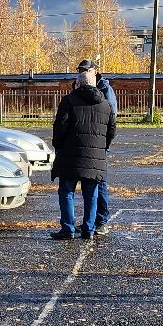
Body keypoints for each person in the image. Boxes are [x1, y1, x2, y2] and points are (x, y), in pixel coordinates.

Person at [49, 67, 115, 240]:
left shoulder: (68, 101)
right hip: (95, 158)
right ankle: (89, 229)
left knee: (66, 192)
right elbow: (111, 131)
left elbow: (59, 127)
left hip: (70, 155)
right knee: (91, 194)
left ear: (78, 84)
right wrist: (102, 147)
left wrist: (58, 146)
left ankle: (68, 228)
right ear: (95, 85)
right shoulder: (106, 105)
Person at [78, 60, 119, 234]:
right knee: (87, 183)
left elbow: (111, 118)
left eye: (86, 70)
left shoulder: (104, 89)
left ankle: (101, 220)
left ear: (95, 71)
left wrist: (104, 142)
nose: (82, 72)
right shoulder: (79, 86)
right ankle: (90, 221)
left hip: (99, 142)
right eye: (80, 70)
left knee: (99, 182)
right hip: (84, 141)